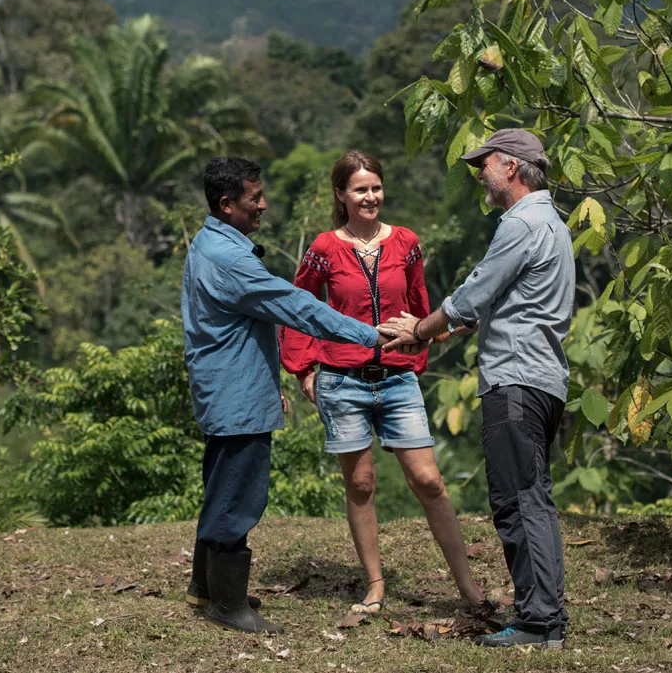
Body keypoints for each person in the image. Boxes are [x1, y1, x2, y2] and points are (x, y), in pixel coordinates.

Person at [380, 128, 575, 650]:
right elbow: (503, 300)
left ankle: (538, 622)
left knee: (517, 501)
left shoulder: (522, 223)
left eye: (482, 164)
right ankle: (544, 615)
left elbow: (476, 291)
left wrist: (420, 329)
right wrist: (443, 323)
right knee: (532, 497)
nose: (479, 176)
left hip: (514, 379)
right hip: (542, 379)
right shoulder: (551, 222)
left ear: (511, 166)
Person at [181, 156, 386, 636]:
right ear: (227, 204)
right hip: (236, 395)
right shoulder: (230, 259)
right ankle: (228, 605)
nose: (264, 205)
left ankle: (206, 588)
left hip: (228, 387)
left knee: (222, 487)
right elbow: (296, 306)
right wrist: (370, 335)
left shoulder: (209, 243)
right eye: (255, 198)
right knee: (240, 495)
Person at [280, 150, 485, 614]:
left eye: (375, 187)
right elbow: (298, 307)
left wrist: (418, 353)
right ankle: (374, 584)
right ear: (341, 195)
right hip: (342, 381)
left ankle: (468, 587)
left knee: (429, 481)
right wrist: (304, 368)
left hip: (396, 380)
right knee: (362, 484)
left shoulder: (406, 242)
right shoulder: (324, 249)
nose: (370, 197)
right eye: (360, 189)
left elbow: (419, 303)